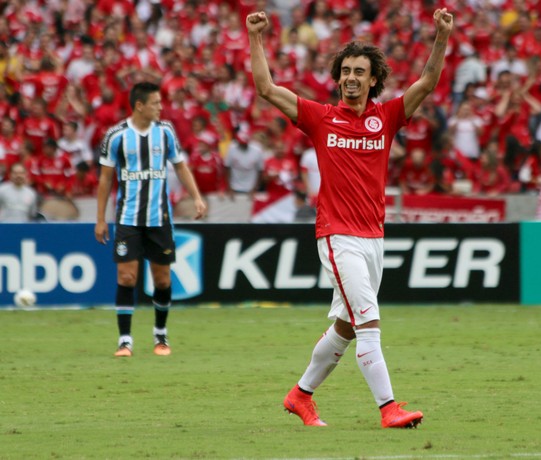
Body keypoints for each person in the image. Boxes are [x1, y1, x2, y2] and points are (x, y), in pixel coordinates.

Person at [246, 8, 453, 428]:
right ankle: (389, 408)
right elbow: (266, 88)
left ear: (374, 78)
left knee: (345, 326)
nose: (352, 77)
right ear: (338, 78)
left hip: (374, 237)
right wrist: (255, 38)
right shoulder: (321, 118)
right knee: (369, 319)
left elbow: (428, 82)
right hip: (337, 236)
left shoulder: (388, 118)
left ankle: (300, 396)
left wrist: (442, 36)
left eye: (360, 71)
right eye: (345, 71)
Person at [94, 81, 206, 358]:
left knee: (163, 281)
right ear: (140, 105)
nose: (161, 107)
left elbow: (180, 166)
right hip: (128, 218)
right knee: (127, 276)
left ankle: (160, 335)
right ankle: (125, 340)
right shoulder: (116, 136)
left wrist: (197, 197)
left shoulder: (166, 133)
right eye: (156, 103)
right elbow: (105, 179)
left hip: (159, 218)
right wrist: (100, 219)